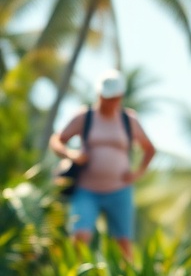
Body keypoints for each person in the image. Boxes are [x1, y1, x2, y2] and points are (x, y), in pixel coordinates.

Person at [50, 69, 156, 258]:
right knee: (80, 238)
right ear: (99, 94)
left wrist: (137, 173)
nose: (108, 102)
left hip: (120, 191)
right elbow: (57, 140)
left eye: (113, 98)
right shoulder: (85, 116)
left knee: (123, 245)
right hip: (86, 190)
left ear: (120, 97)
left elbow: (149, 149)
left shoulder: (129, 120)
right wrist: (70, 154)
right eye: (105, 97)